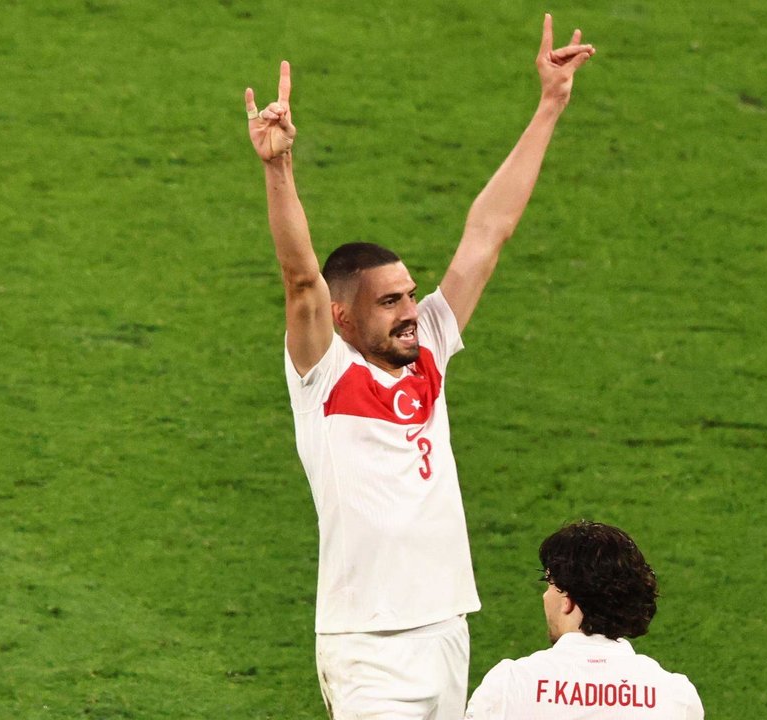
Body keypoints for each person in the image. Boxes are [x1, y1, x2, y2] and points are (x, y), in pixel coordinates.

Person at [242, 15, 594, 720]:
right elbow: (300, 278)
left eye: (411, 293)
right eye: (390, 302)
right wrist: (278, 168)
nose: (411, 310)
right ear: (344, 319)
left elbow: (487, 233)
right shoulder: (324, 375)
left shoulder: (429, 344)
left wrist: (549, 104)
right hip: (368, 641)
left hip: (446, 629)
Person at [465, 521, 704, 719]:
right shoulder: (676, 697)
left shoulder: (508, 686)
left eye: (550, 584)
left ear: (568, 599)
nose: (545, 596)